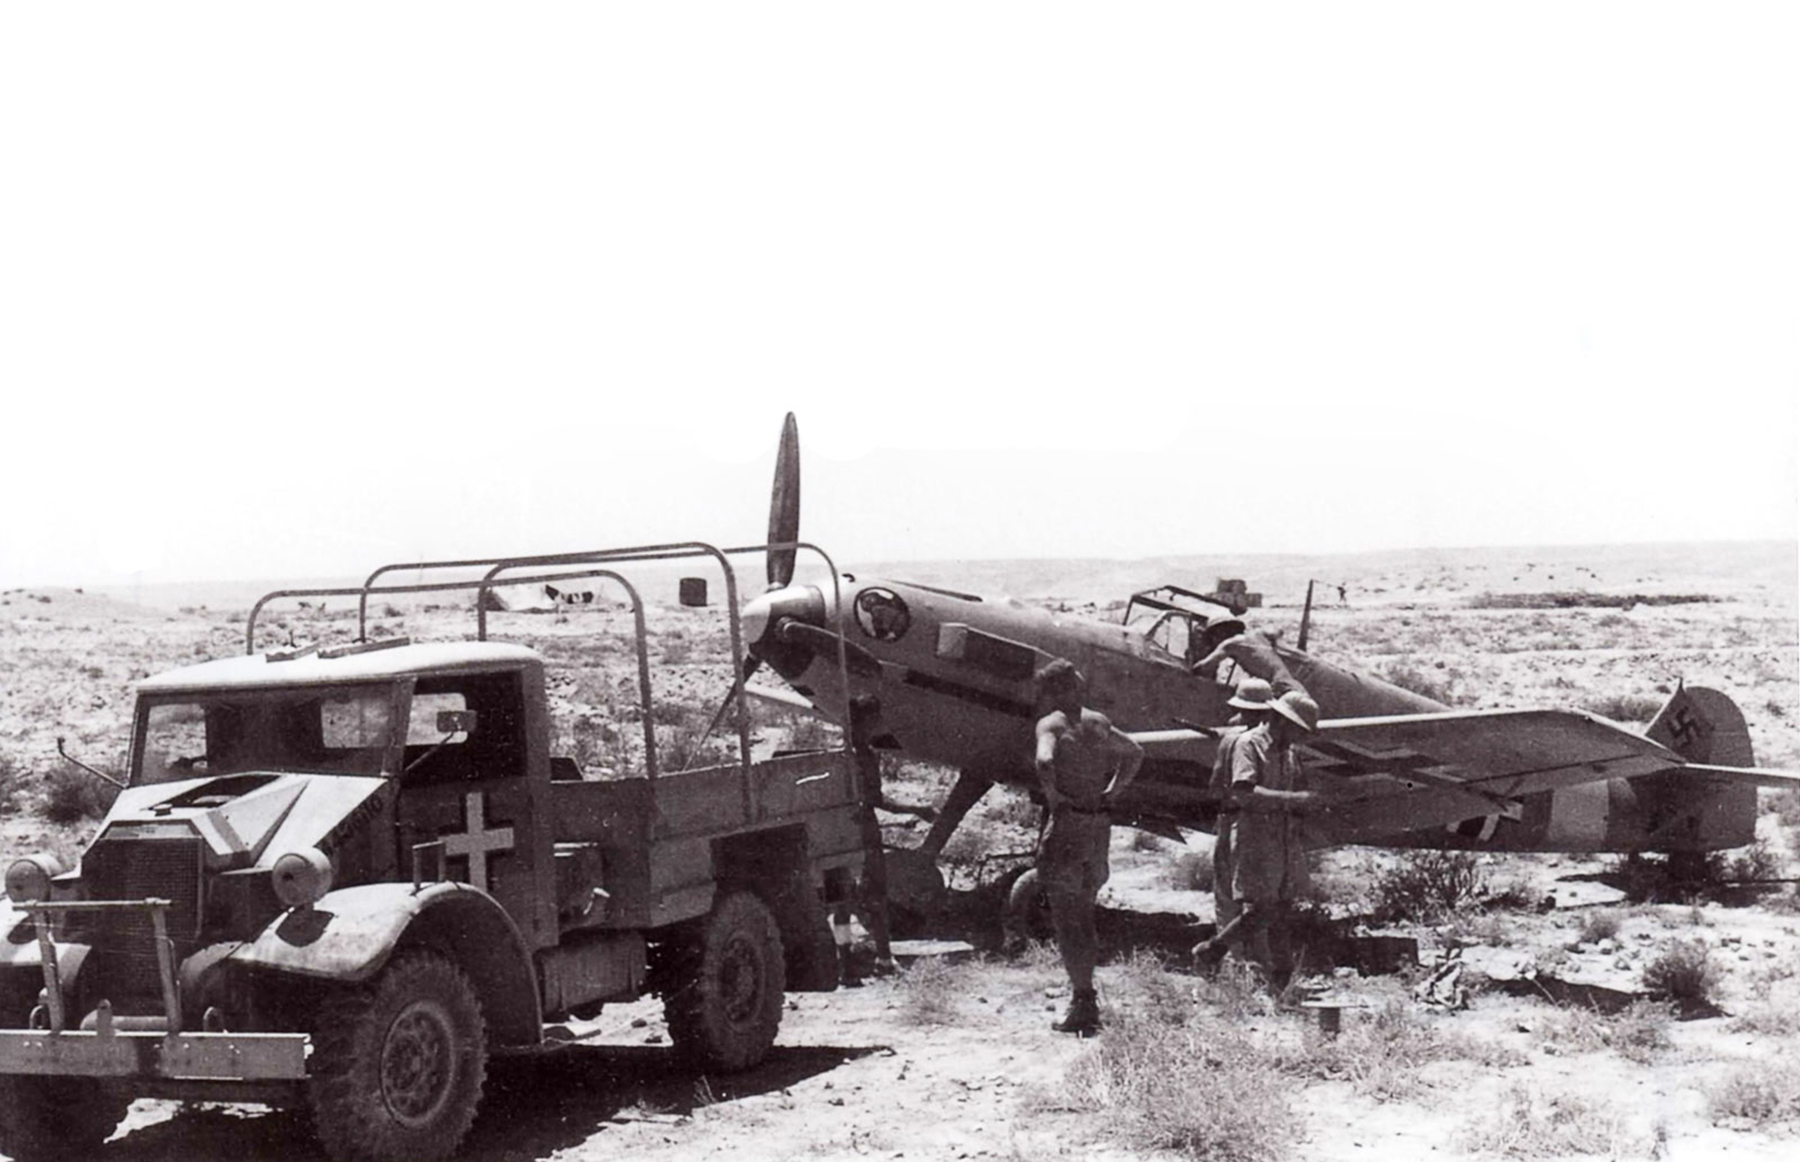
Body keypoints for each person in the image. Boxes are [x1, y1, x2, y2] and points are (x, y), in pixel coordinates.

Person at [1032, 659, 1144, 1035]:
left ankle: (1082, 1001)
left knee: (1067, 920)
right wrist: (1113, 791)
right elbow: (1135, 753)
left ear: (1053, 690)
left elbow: (1045, 760)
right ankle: (1086, 997)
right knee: (1086, 913)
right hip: (1098, 824)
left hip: (1067, 825)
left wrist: (1053, 796)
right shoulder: (1099, 722)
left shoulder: (1051, 724)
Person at [1222, 688, 1325, 986]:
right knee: (1260, 910)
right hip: (1255, 836)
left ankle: (1281, 978)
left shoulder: (1288, 752)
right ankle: (1221, 954)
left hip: (1281, 837)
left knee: (1281, 910)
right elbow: (1243, 791)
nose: (1300, 737)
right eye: (1298, 729)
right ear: (1281, 720)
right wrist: (1294, 799)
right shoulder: (1248, 744)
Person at [839, 695, 935, 981]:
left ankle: (845, 962)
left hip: (839, 831)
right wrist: (916, 808)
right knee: (876, 897)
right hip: (864, 830)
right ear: (869, 720)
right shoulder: (865, 755)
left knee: (841, 901)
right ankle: (884, 958)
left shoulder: (838, 752)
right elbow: (876, 799)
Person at [1190, 677, 1276, 967]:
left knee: (1227, 896)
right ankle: (1261, 960)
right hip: (1270, 826)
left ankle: (1234, 961)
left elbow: (1215, 787)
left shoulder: (1232, 741)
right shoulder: (1277, 744)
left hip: (1235, 823)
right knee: (1259, 900)